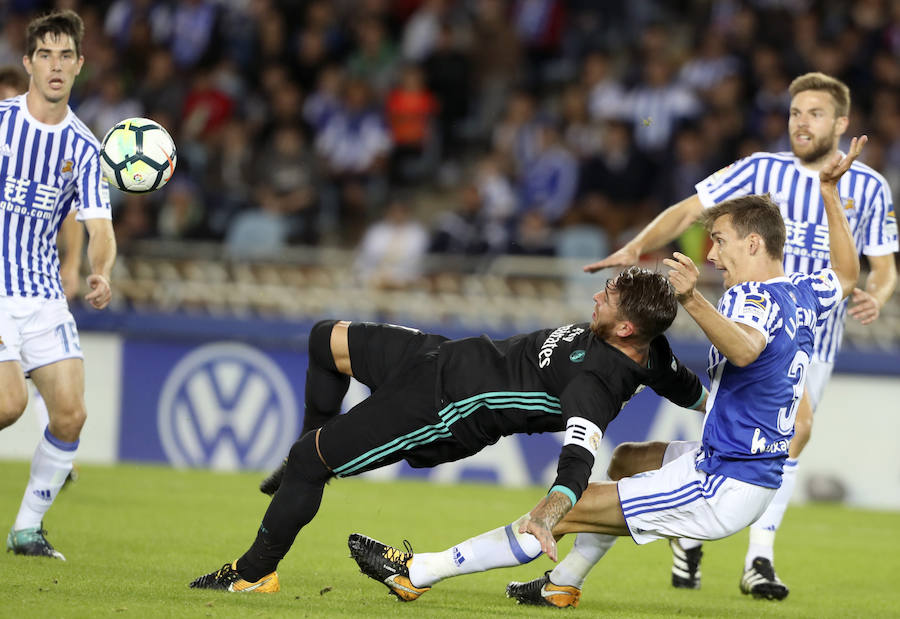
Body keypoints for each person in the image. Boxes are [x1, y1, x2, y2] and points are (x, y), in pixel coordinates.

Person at [348, 140, 863, 607]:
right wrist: (829, 192)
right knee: (628, 461)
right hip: (743, 466)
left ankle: (418, 572)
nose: (711, 252)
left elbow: (748, 350)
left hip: (724, 479)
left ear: (753, 244)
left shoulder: (749, 297)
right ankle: (562, 584)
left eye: (722, 239)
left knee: (560, 513)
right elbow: (845, 273)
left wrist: (692, 300)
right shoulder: (802, 290)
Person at [510, 72, 898, 603]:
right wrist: (638, 246)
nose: (801, 122)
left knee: (787, 430)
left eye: (814, 113)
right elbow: (693, 208)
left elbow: (880, 267)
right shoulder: (762, 168)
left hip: (807, 337)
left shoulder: (870, 185)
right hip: (768, 326)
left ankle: (750, 552)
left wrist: (879, 291)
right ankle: (598, 571)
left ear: (841, 122)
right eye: (794, 112)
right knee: (641, 458)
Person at [188, 265, 708, 593]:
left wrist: (549, 514)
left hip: (440, 410)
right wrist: (723, 408)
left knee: (308, 465)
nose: (596, 296)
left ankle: (253, 574)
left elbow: (577, 463)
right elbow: (690, 391)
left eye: (608, 297)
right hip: (438, 354)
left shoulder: (596, 382)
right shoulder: (652, 348)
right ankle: (309, 450)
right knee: (326, 340)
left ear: (623, 328)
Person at [1, 10, 117, 560]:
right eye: (44, 54)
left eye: (65, 55)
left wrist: (102, 271)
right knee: (8, 404)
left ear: (79, 66)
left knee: (70, 413)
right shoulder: (0, 122)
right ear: (27, 62)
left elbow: (100, 227)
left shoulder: (84, 148)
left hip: (43, 293)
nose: (55, 65)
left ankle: (26, 530)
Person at [2, 62, 85, 488]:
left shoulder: (57, 150)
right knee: (11, 398)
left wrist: (71, 265)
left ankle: (37, 509)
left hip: (35, 286)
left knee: (38, 386)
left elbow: (72, 212)